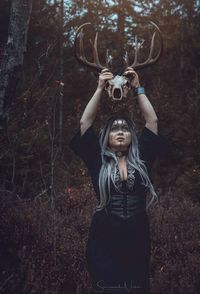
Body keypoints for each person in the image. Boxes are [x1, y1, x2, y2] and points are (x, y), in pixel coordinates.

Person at [69, 67, 172, 293]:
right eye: (114, 128)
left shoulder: (142, 158)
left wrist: (137, 88)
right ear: (106, 137)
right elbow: (85, 124)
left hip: (137, 238)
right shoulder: (98, 160)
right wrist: (98, 89)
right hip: (103, 240)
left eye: (125, 128)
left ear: (132, 136)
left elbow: (152, 121)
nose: (120, 131)